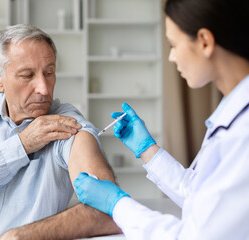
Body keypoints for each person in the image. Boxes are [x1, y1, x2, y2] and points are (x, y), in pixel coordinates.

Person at [0, 24, 121, 239]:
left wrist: (24, 235)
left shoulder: (64, 125)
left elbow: (109, 206)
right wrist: (21, 145)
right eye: (27, 75)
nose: (44, 89)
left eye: (49, 72)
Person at [74, 0, 249, 239]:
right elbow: (199, 195)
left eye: (174, 45)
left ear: (205, 42)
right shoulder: (233, 113)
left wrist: (116, 204)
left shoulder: (243, 131)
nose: (171, 57)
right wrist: (148, 150)